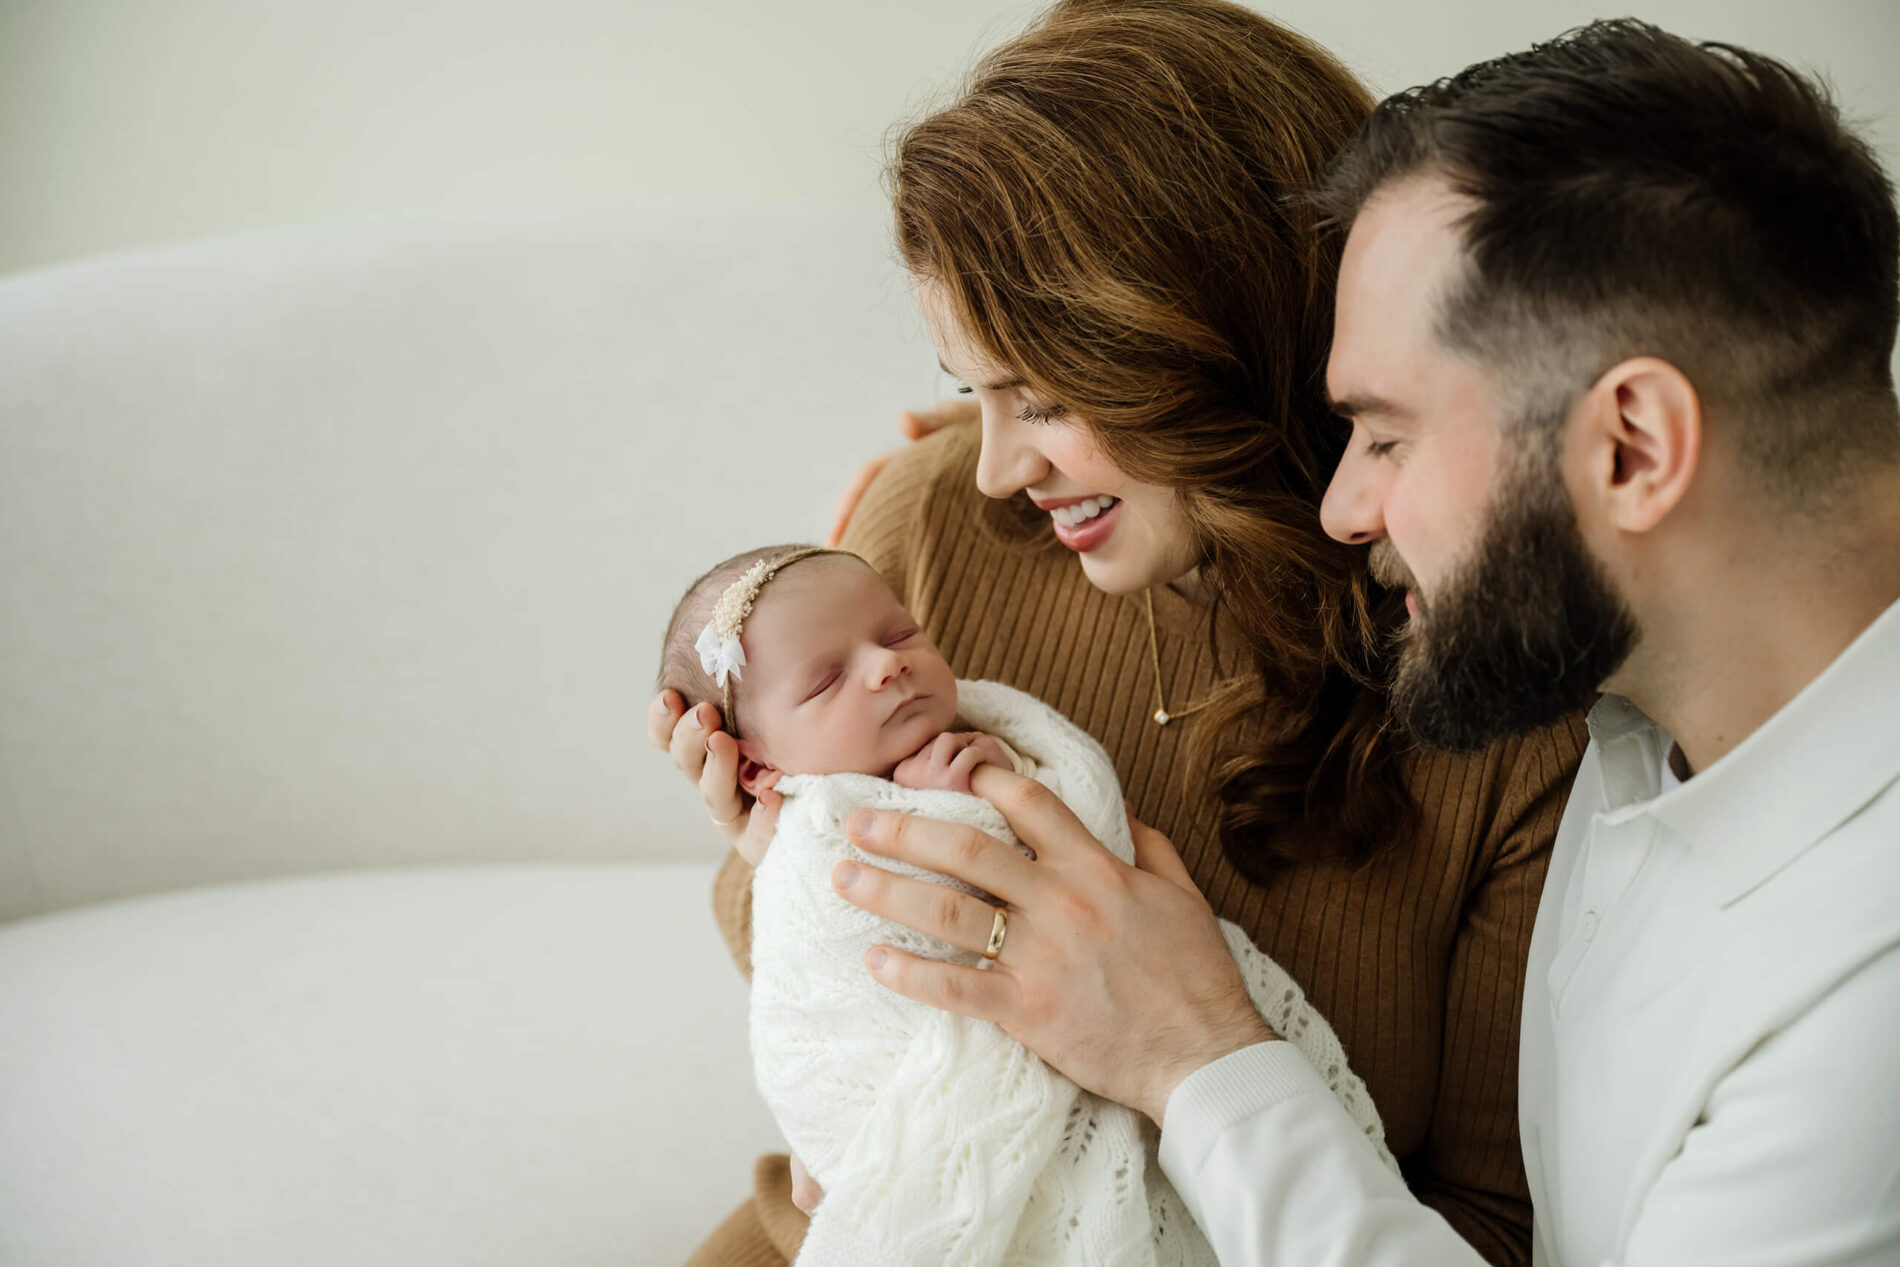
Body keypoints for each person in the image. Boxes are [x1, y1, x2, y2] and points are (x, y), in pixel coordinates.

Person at [823, 18, 1900, 1265]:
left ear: (1632, 450)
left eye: (1385, 435)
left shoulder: (1854, 1002)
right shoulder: (1628, 704)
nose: (1344, 507)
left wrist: (1197, 1054)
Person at [651, 3, 1586, 1263]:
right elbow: (807, 979)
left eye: (1041, 396)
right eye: (971, 390)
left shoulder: (1490, 688)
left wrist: (1183, 1040)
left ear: (1211, 345)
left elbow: (1484, 1223)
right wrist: (775, 849)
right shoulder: (924, 534)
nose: (991, 467)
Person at [658, 543, 1391, 1265]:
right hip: (860, 1170)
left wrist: (987, 790)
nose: (888, 664)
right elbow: (823, 970)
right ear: (757, 765)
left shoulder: (994, 740)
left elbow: (1073, 847)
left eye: (899, 633)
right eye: (825, 682)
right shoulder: (809, 827)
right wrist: (766, 850)